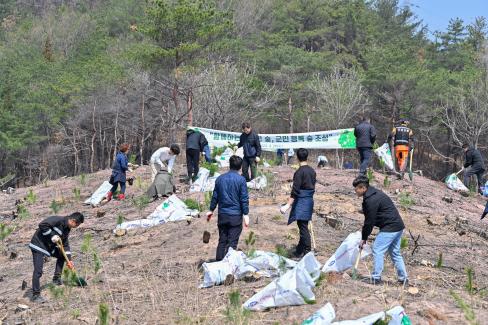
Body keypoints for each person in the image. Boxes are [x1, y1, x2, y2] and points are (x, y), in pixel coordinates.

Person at [353, 176, 407, 285]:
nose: (355, 191)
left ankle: (376, 278)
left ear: (363, 188)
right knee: (395, 253)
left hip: (390, 227)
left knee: (377, 249)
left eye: (356, 189)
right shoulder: (374, 193)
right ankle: (403, 278)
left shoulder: (371, 199)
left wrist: (364, 238)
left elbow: (369, 222)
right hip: (398, 226)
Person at [29, 212, 85, 303]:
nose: (76, 227)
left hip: (48, 247)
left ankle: (56, 279)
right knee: (38, 270)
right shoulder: (58, 220)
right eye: (77, 225)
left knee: (62, 256)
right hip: (38, 245)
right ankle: (36, 295)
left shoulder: (67, 229)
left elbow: (65, 245)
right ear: (74, 221)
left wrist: (69, 260)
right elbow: (42, 224)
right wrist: (52, 235)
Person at [207, 155, 250, 261]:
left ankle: (218, 265)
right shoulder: (241, 180)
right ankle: (227, 269)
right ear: (240, 167)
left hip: (223, 215)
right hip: (235, 216)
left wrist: (211, 210)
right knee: (232, 243)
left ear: (229, 165)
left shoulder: (220, 179)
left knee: (222, 241)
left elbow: (215, 197)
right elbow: (244, 198)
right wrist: (246, 214)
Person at [280, 148, 316, 258]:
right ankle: (299, 250)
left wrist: (287, 205)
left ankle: (307, 251)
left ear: (297, 158)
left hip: (302, 202)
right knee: (302, 226)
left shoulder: (299, 172)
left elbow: (295, 191)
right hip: (309, 201)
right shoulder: (312, 171)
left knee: (303, 227)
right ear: (307, 157)